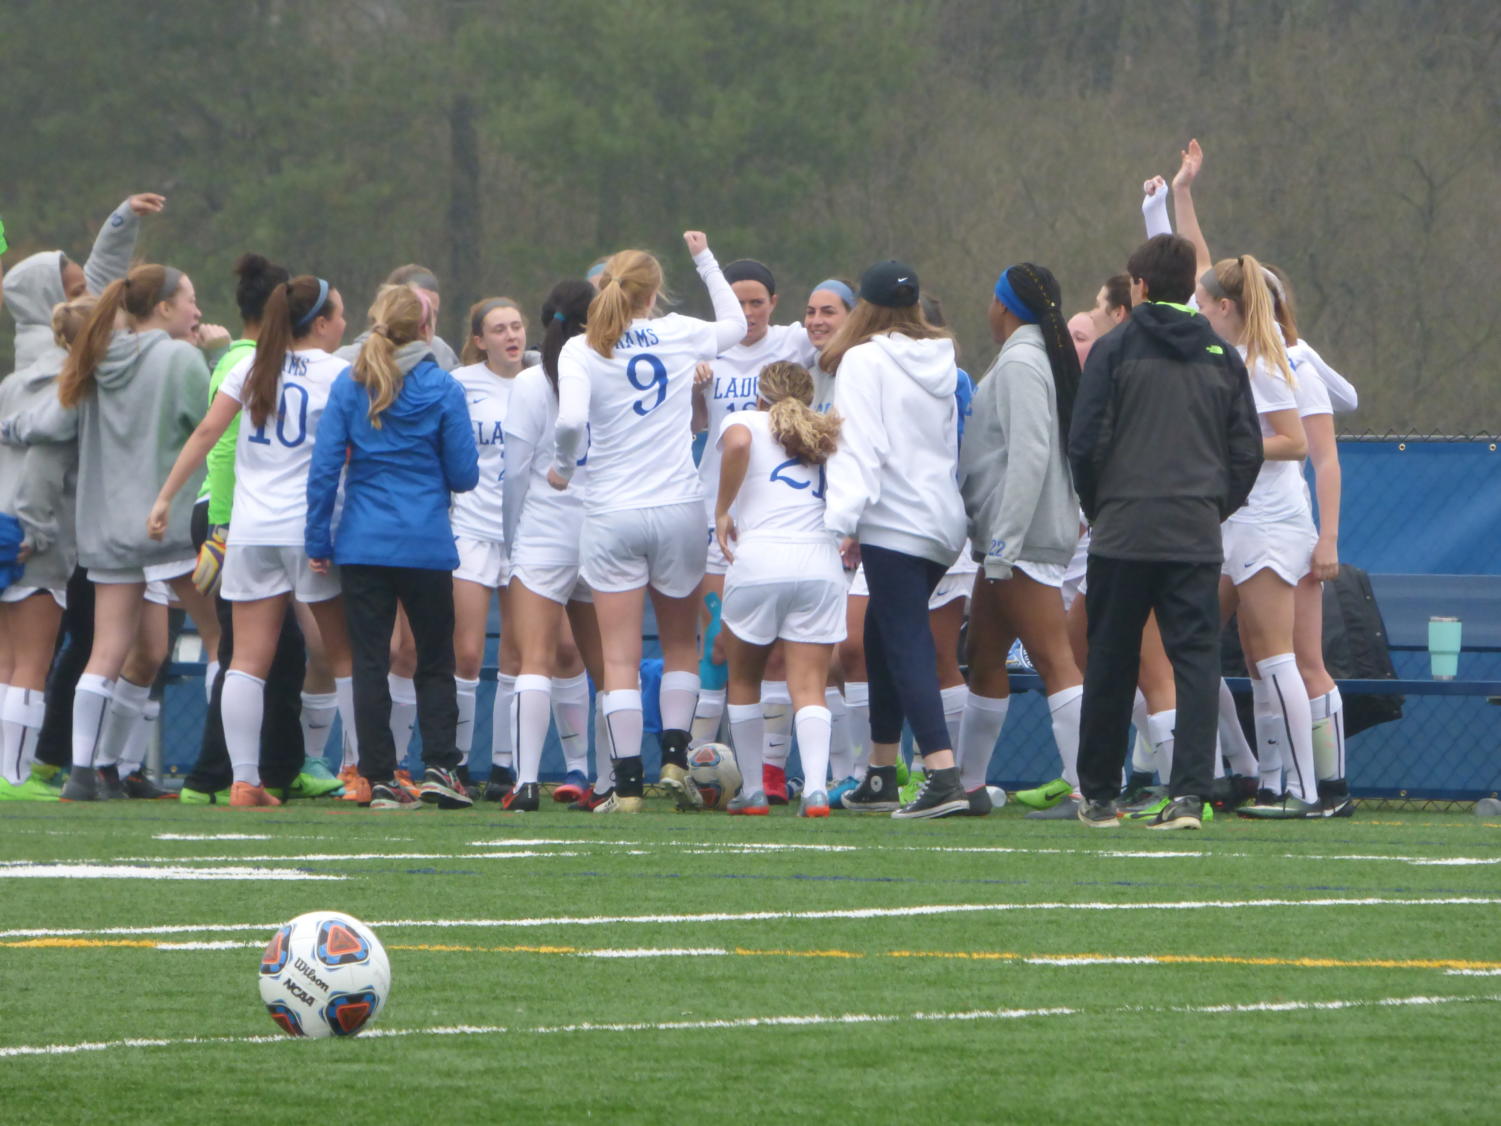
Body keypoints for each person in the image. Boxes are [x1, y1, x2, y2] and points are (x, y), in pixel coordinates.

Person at [1069, 234, 1263, 830]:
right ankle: (1189, 797)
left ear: (1141, 286)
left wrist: (1102, 506)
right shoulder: (1222, 356)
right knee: (1196, 664)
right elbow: (1247, 453)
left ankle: (1100, 797)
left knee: (1110, 661)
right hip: (1194, 535)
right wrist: (1211, 507)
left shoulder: (1115, 347)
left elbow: (1084, 442)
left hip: (1124, 532)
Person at [551, 232, 745, 813]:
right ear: (654, 293)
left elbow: (568, 424)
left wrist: (565, 466)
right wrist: (706, 260)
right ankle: (676, 759)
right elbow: (734, 324)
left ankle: (627, 788)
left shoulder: (582, 347)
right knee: (682, 642)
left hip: (613, 512)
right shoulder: (681, 330)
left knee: (619, 658)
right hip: (678, 508)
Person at [150, 274, 356, 808]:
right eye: (340, 315)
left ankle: (244, 781)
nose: (345, 324)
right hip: (312, 532)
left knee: (247, 659)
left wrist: (166, 498)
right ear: (323, 323)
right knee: (340, 654)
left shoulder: (249, 364)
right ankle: (360, 771)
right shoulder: (340, 374)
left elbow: (204, 435)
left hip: (250, 530)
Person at [42, 264, 225, 801]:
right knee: (220, 641)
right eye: (190, 299)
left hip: (108, 530)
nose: (196, 310)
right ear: (163, 307)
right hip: (168, 525)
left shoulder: (95, 360)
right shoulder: (180, 358)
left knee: (106, 650)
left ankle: (84, 771)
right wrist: (214, 357)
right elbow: (208, 422)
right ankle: (221, 768)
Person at [306, 284, 479, 810]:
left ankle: (377, 775)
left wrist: (318, 538)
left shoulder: (352, 383)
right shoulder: (444, 388)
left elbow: (324, 468)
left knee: (369, 661)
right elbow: (465, 474)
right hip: (425, 542)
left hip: (362, 543)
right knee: (434, 659)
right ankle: (441, 767)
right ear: (427, 330)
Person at [822, 260, 968, 819]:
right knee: (884, 634)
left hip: (895, 519)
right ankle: (882, 770)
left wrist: (843, 520)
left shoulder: (862, 360)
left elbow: (860, 445)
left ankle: (940, 771)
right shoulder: (941, 356)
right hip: (939, 516)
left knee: (904, 637)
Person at [955, 264, 1084, 820]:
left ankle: (1088, 788)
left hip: (1022, 542)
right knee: (985, 657)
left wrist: (1006, 544)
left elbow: (1030, 456)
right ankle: (967, 785)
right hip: (1006, 542)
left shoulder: (1024, 362)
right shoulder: (1033, 357)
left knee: (1054, 660)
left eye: (992, 298)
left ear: (1005, 306)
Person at [689, 259, 817, 802]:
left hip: (776, 524)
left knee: (781, 655)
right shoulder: (706, 348)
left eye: (757, 302)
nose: (747, 313)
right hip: (719, 520)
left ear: (775, 302)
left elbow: (835, 331)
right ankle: (694, 766)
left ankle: (770, 774)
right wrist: (697, 390)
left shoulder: (793, 342)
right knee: (720, 646)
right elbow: (697, 426)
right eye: (737, 303)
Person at [715, 361, 844, 816]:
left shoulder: (746, 419)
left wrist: (722, 508)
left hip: (761, 560)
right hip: (819, 561)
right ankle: (814, 790)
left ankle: (753, 791)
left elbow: (738, 442)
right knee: (810, 685)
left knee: (744, 679)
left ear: (759, 396)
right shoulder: (824, 430)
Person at [502, 281, 609, 811]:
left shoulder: (528, 383)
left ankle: (524, 782)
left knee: (535, 660)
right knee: (609, 664)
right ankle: (611, 785)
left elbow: (515, 474)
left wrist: (509, 539)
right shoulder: (608, 376)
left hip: (545, 531)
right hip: (601, 530)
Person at [0, 295, 95, 799]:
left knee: (5, 661)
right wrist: (36, 531)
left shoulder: (14, 382)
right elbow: (43, 467)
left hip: (0, 523)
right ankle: (14, 776)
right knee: (32, 664)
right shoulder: (72, 389)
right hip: (33, 536)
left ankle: (4, 769)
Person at [4, 193, 162, 369]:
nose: (92, 298)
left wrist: (125, 216)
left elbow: (104, 264)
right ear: (49, 297)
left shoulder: (77, 313)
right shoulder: (39, 360)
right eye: (78, 292)